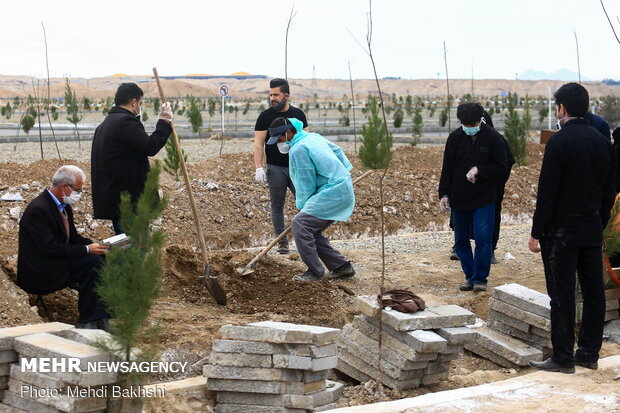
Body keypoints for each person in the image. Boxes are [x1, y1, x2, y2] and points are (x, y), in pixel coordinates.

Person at [528, 82, 615, 374]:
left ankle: (563, 357)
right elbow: (609, 188)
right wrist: (599, 221)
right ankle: (589, 353)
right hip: (591, 225)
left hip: (561, 230)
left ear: (562, 108)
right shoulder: (602, 140)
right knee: (593, 292)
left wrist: (537, 230)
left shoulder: (559, 141)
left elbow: (547, 192)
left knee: (562, 294)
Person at [17, 166, 110, 330]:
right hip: (41, 271)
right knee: (93, 263)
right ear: (64, 187)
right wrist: (87, 250)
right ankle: (87, 321)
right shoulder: (38, 210)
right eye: (78, 190)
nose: (79, 195)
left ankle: (100, 317)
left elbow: (73, 238)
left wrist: (98, 245)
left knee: (102, 257)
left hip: (56, 261)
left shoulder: (63, 206)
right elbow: (50, 249)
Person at [267, 117, 355, 281]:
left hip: (332, 191)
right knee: (309, 228)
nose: (278, 142)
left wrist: (303, 205)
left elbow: (305, 181)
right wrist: (343, 173)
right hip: (339, 186)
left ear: (288, 132)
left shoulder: (299, 149)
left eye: (279, 138)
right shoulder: (311, 136)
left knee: (301, 223)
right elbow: (336, 150)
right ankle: (341, 267)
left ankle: (315, 272)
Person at [438, 102, 507, 292]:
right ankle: (469, 276)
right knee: (461, 240)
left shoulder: (494, 139)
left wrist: (480, 170)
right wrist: (444, 194)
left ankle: (480, 279)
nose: (469, 128)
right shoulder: (454, 139)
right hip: (459, 198)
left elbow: (502, 169)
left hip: (484, 198)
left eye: (473, 124)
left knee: (483, 239)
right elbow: (447, 169)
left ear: (480, 120)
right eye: (466, 124)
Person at [91, 82, 173, 234]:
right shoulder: (125, 122)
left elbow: (134, 144)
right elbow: (150, 147)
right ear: (134, 102)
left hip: (116, 200)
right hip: (129, 203)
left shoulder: (106, 124)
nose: (140, 107)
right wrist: (164, 122)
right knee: (135, 249)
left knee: (126, 248)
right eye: (140, 103)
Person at [449, 111, 515, 264]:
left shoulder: (497, 140)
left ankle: (489, 250)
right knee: (461, 220)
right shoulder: (459, 139)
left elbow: (505, 164)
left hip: (489, 190)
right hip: (464, 190)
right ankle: (458, 246)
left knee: (487, 223)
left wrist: (488, 176)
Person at [254, 78, 308, 254]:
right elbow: (258, 143)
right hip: (275, 168)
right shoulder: (265, 117)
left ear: (286, 95)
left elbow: (307, 140)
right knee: (277, 205)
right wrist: (258, 167)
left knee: (305, 203)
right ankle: (282, 243)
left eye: (276, 94)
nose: (273, 98)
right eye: (270, 95)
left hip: (297, 167)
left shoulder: (298, 115)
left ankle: (307, 237)